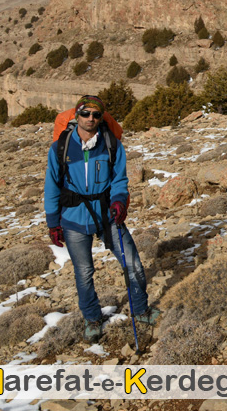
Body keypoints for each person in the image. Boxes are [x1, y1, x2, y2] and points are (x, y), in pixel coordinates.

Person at [44, 95, 158, 341]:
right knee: (84, 272)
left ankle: (141, 310)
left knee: (133, 263)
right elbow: (52, 186)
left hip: (107, 215)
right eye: (85, 114)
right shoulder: (60, 148)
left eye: (96, 115)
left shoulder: (111, 144)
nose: (91, 119)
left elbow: (119, 179)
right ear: (77, 116)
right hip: (73, 218)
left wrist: (119, 201)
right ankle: (92, 319)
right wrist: (53, 223)